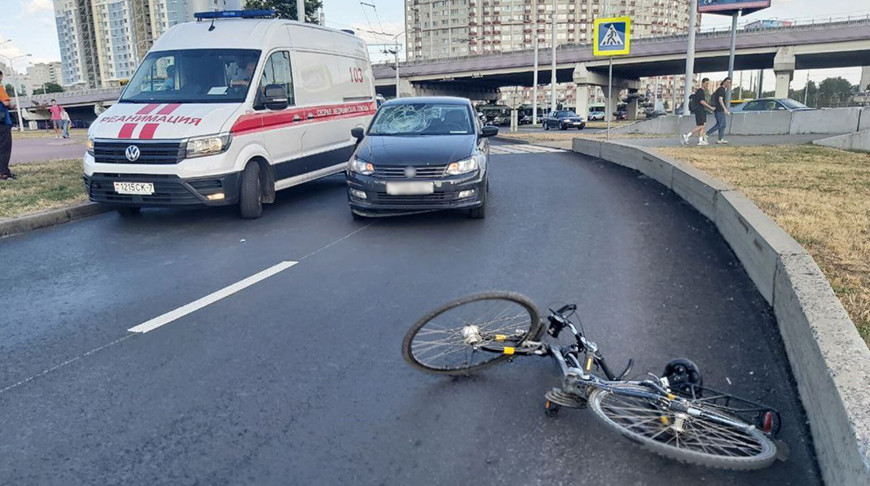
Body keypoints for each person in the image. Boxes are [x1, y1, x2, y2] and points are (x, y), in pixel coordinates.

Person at [682, 78, 716, 146]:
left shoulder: (700, 91)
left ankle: (700, 141)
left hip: (700, 110)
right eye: (706, 83)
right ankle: (687, 136)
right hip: (700, 110)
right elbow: (702, 101)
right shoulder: (700, 91)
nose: (707, 85)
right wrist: (710, 107)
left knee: (702, 126)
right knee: (701, 125)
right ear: (702, 83)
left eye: (708, 84)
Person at [705, 77, 732, 144]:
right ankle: (706, 135)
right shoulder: (721, 89)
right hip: (719, 110)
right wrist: (725, 109)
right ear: (724, 82)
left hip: (720, 110)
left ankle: (720, 139)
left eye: (730, 82)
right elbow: (720, 100)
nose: (729, 84)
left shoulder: (722, 89)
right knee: (720, 124)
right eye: (728, 82)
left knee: (723, 125)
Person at [0, 71, 15, 180]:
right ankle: (4, 173)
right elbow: (5, 102)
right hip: (2, 123)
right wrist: (11, 106)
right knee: (4, 148)